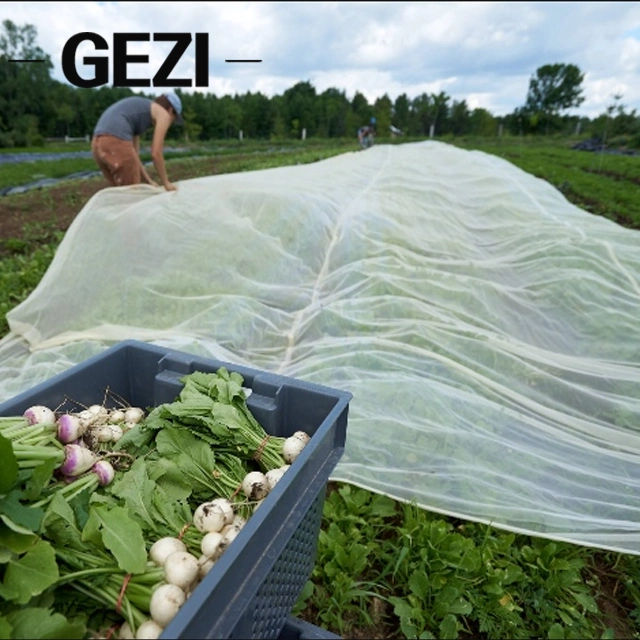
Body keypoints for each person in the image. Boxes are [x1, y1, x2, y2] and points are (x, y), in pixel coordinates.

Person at [91, 93, 184, 191]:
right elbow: (156, 153)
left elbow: (134, 157)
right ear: (170, 110)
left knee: (120, 193)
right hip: (115, 140)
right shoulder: (164, 114)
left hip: (97, 143)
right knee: (132, 195)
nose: (172, 121)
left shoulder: (140, 112)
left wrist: (149, 181)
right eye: (174, 118)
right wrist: (166, 183)